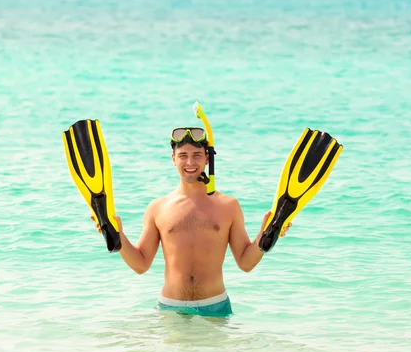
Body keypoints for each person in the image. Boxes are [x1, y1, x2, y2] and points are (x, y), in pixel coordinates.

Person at [91, 128, 290, 317]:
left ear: (207, 158)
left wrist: (266, 235)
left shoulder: (229, 206)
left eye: (196, 154)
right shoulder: (158, 208)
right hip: (171, 308)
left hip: (216, 307)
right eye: (183, 155)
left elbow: (246, 263)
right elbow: (141, 264)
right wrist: (117, 236)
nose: (190, 162)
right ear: (173, 159)